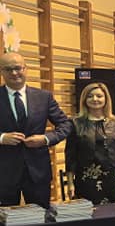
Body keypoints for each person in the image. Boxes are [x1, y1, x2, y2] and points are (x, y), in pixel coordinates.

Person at [0, 52, 71, 207]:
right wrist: (2, 138)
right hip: (4, 173)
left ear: (25, 69)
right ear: (2, 72)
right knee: (4, 219)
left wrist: (45, 139)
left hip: (38, 172)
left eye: (18, 68)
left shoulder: (44, 97)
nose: (14, 73)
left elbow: (65, 124)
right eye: (8, 69)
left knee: (41, 217)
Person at [64, 82, 115, 203]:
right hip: (86, 179)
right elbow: (70, 156)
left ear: (106, 99)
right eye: (90, 96)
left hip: (114, 179)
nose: (95, 99)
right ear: (84, 100)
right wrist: (70, 183)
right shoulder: (75, 123)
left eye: (99, 96)